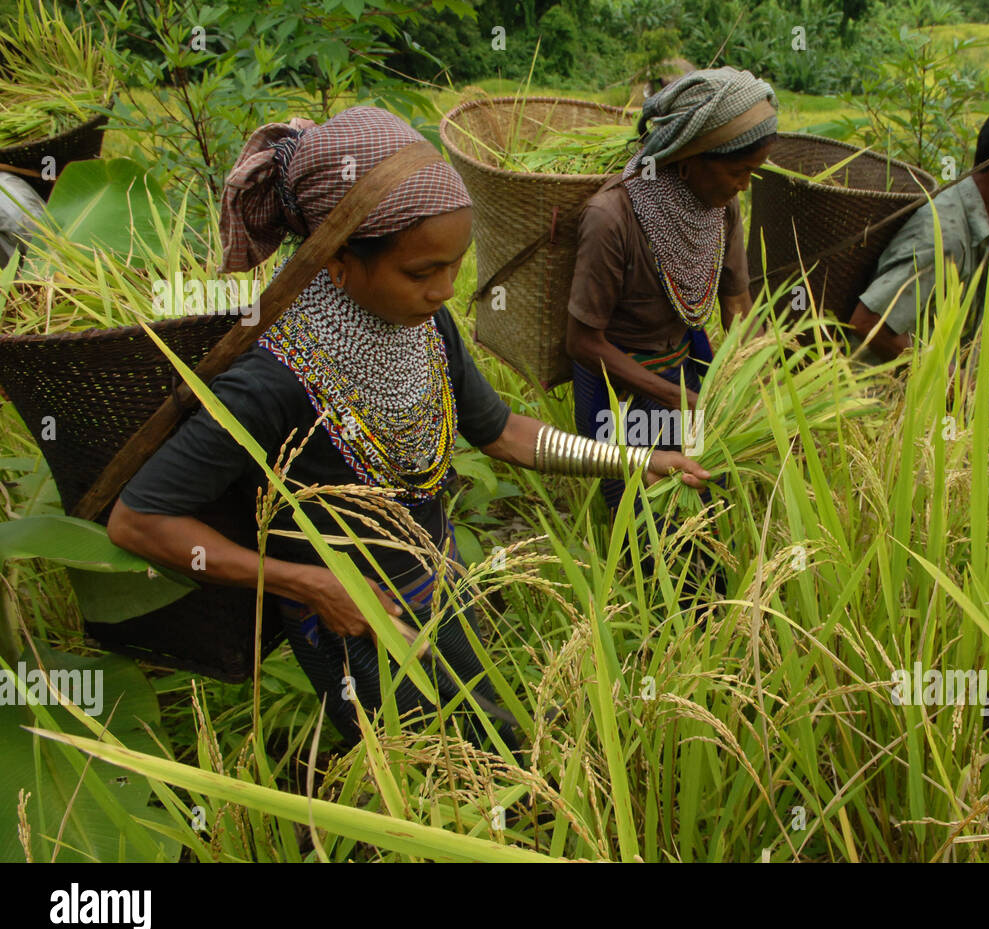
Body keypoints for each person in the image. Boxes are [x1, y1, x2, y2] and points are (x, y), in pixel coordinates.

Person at [106, 107, 711, 748]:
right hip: (355, 627)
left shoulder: (424, 327)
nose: (447, 290)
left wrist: (633, 460)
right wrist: (310, 581)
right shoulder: (272, 380)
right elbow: (139, 521)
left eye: (456, 266)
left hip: (440, 580)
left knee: (490, 734)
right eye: (422, 272)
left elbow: (503, 433)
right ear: (336, 263)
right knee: (423, 766)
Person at [566, 66, 777, 514]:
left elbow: (737, 302)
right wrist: (683, 401)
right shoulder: (612, 217)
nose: (744, 185)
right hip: (616, 383)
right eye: (739, 171)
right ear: (688, 158)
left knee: (697, 495)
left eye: (752, 173)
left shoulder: (722, 208)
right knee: (640, 514)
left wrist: (760, 380)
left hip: (680, 365)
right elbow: (583, 342)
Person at [845, 95, 989, 373]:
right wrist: (947, 380)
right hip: (879, 398)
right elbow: (868, 323)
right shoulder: (944, 236)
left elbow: (970, 304)